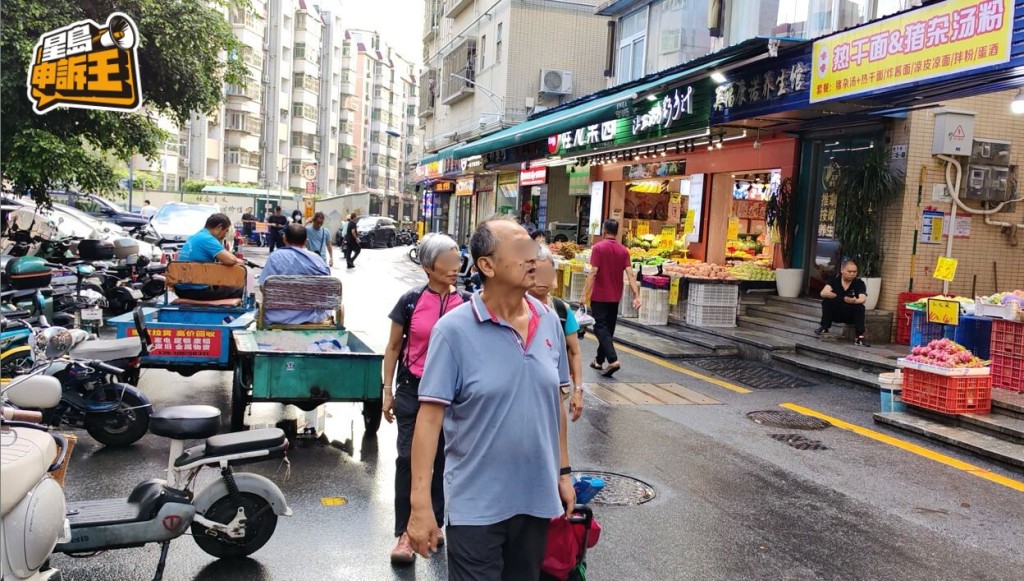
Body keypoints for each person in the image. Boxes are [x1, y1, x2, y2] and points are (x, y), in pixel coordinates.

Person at [407, 216, 575, 580]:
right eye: (520, 250)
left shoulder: (548, 321)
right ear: (487, 265)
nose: (533, 258)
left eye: (532, 248)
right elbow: (430, 419)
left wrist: (563, 472)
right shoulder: (453, 331)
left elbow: (554, 404)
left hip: (535, 501)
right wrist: (420, 503)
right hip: (475, 507)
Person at [382, 233, 470, 565]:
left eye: (457, 261)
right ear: (428, 267)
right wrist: (387, 391)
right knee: (408, 459)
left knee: (445, 462)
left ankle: (433, 520)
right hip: (413, 391)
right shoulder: (410, 301)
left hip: (453, 397)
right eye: (448, 263)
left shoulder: (467, 302)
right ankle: (405, 533)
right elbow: (392, 348)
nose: (455, 268)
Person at [530, 244, 584, 422]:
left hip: (554, 391)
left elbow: (574, 352)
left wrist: (578, 391)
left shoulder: (562, 310)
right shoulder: (513, 308)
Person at [581, 219, 641, 377]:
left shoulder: (598, 248)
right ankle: (599, 361)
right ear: (617, 232)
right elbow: (630, 273)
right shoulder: (623, 251)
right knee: (607, 329)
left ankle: (613, 360)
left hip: (600, 296)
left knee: (600, 328)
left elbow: (593, 272)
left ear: (603, 231)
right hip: (615, 297)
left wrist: (583, 294)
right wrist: (636, 295)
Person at [257, 224, 331, 325]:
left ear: (284, 238)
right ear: (306, 241)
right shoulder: (318, 260)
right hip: (313, 318)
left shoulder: (275, 257)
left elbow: (263, 287)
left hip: (278, 318)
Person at [174, 213, 245, 301]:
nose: (225, 235)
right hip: (197, 290)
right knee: (239, 289)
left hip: (180, 289)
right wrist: (237, 260)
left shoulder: (195, 237)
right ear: (219, 227)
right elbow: (230, 260)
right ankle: (225, 314)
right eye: (226, 231)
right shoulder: (208, 239)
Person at [816, 258, 870, 346]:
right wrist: (828, 294)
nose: (852, 274)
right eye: (849, 271)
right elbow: (823, 293)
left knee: (860, 306)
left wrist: (855, 301)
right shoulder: (834, 279)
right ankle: (824, 327)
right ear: (842, 270)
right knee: (827, 301)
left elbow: (863, 298)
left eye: (854, 272)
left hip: (849, 314)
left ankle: (859, 336)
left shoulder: (859, 283)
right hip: (835, 313)